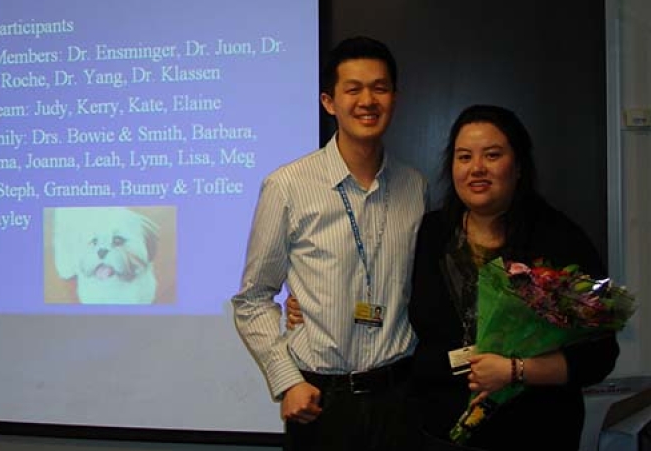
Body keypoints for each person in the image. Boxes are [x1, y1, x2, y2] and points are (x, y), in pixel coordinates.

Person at [232, 36, 428, 451]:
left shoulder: (415, 186)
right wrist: (287, 381)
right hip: (321, 401)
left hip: (400, 399)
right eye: (352, 89)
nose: (367, 100)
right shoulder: (287, 186)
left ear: (394, 97)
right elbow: (252, 298)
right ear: (329, 102)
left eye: (379, 87)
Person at [407, 104, 619, 450]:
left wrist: (516, 370)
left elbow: (600, 356)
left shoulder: (559, 240)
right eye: (464, 157)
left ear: (518, 166)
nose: (476, 168)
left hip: (537, 431)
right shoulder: (431, 235)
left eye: (492, 155)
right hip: (441, 429)